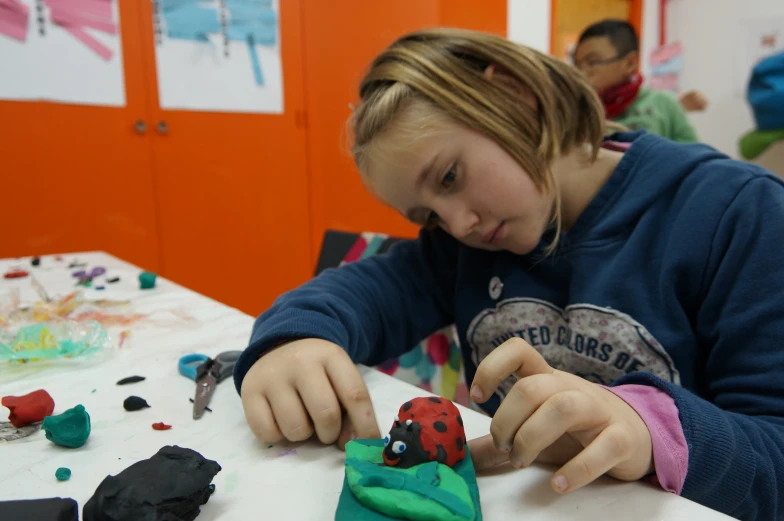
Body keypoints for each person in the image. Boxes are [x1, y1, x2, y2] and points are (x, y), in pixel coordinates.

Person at [235, 28, 784, 520]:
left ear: (513, 95)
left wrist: (654, 431)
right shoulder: (461, 245)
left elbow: (775, 460)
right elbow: (365, 289)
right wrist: (294, 337)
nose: (456, 224)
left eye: (450, 177)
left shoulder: (738, 214)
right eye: (427, 216)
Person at [573, 19, 700, 143]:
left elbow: (694, 155)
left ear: (630, 63)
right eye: (577, 64)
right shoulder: (577, 109)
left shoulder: (662, 103)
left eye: (593, 62)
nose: (581, 72)